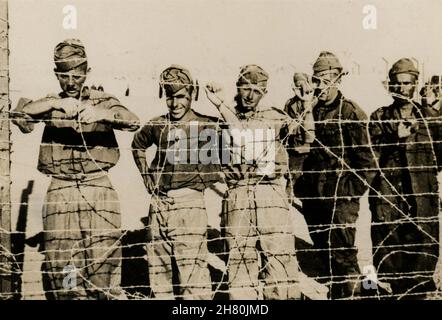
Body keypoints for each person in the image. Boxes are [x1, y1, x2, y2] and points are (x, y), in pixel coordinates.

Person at [14, 39, 140, 299]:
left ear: (87, 72)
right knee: (64, 261)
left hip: (97, 187)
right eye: (64, 76)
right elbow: (21, 116)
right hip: (61, 189)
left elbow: (132, 121)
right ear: (56, 75)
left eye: (76, 74)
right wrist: (53, 105)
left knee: (102, 257)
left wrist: (100, 114)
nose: (71, 82)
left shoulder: (103, 100)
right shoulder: (50, 102)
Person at [205, 64, 301, 300]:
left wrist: (306, 105)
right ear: (237, 87)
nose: (250, 96)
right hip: (238, 193)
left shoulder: (276, 117)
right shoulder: (221, 121)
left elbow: (305, 137)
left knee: (278, 257)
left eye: (257, 91)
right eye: (245, 88)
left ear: (265, 93)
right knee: (240, 259)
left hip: (269, 191)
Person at [131, 65, 222, 299]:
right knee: (158, 270)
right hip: (159, 204)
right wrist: (145, 174)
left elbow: (238, 132)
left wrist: (219, 103)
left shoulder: (207, 125)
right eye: (170, 97)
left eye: (181, 96)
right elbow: (138, 144)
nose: (175, 104)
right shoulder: (158, 124)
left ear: (192, 96)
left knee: (193, 277)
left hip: (189, 205)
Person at [294, 51, 376, 299]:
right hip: (313, 196)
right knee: (322, 248)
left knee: (343, 250)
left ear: (338, 80)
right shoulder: (308, 110)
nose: (321, 86)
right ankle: (339, 290)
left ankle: (362, 292)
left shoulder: (351, 112)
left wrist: (348, 195)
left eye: (327, 80)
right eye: (317, 80)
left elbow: (366, 163)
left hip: (341, 197)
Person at [369, 58, 442, 299]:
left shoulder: (431, 118)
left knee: (423, 243)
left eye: (407, 83)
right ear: (390, 86)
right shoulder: (379, 117)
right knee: (389, 244)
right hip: (389, 195)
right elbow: (370, 154)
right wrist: (394, 138)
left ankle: (419, 289)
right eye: (397, 84)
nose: (402, 88)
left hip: (422, 192)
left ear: (415, 84)